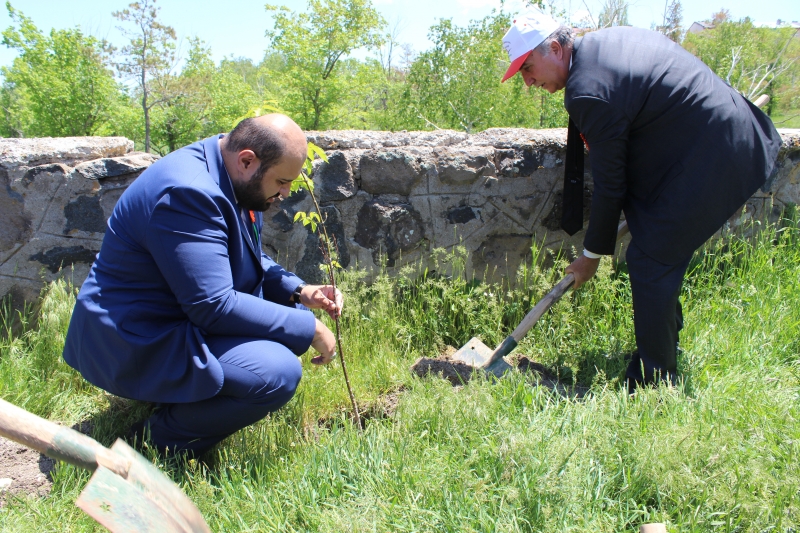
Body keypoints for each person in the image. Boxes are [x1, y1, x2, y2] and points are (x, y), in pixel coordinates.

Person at [500, 10, 781, 391]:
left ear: (553, 48)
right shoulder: (603, 47)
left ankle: (654, 382)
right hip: (713, 142)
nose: (529, 82)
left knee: (649, 259)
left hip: (718, 154)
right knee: (654, 248)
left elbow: (610, 184)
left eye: (528, 68)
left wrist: (590, 257)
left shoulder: (588, 88)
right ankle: (662, 338)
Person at [63, 114, 343, 455]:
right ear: (247, 160)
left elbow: (238, 255)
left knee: (283, 322)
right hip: (135, 337)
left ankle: (180, 407)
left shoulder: (230, 170)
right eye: (282, 181)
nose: (285, 193)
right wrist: (309, 327)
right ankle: (152, 444)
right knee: (276, 371)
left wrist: (299, 291)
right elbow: (213, 305)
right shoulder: (188, 193)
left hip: (175, 317)